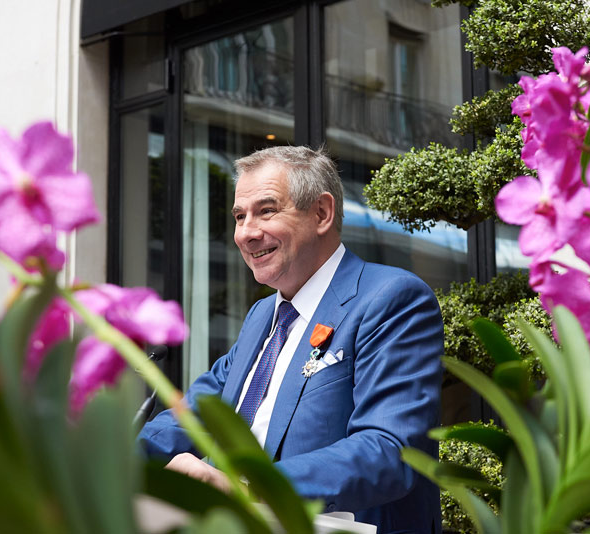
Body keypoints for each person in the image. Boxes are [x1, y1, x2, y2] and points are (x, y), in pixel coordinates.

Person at [138, 146, 443, 533]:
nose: (246, 232)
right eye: (239, 216)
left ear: (321, 213)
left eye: (266, 211)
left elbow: (389, 450)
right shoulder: (262, 315)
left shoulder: (391, 298)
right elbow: (198, 414)